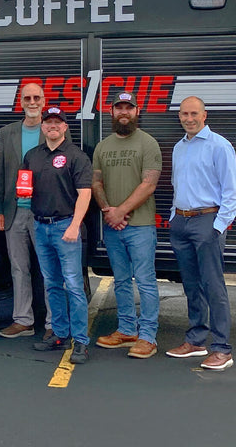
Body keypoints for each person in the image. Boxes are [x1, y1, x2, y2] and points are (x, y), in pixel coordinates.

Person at [165, 96, 236, 370]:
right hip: (181, 222)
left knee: (213, 286)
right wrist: (174, 217)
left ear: (204, 115)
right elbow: (177, 185)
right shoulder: (179, 147)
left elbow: (231, 192)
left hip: (208, 221)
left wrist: (218, 227)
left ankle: (222, 349)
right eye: (184, 114)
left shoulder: (220, 146)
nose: (189, 118)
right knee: (192, 285)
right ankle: (196, 340)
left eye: (194, 113)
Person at [91, 92, 162, 359]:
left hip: (141, 226)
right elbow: (96, 182)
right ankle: (126, 330)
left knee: (145, 281)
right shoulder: (102, 146)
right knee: (120, 281)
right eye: (119, 107)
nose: (124, 112)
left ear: (137, 111)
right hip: (113, 226)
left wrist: (120, 211)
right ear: (111, 112)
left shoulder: (148, 143)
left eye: (128, 108)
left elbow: (149, 184)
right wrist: (108, 211)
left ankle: (148, 337)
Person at [0, 82, 62, 341]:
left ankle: (55, 322)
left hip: (45, 212)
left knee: (49, 268)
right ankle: (23, 320)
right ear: (20, 102)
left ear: (44, 101)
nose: (32, 102)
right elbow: (0, 174)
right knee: (18, 268)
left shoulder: (54, 129)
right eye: (27, 98)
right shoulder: (7, 132)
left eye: (37, 98)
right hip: (14, 212)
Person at [25, 107, 92, 364]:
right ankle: (59, 334)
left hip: (66, 227)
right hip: (40, 226)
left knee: (74, 286)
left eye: (57, 122)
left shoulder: (76, 156)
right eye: (48, 122)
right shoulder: (32, 156)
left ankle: (81, 342)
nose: (52, 126)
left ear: (65, 127)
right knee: (51, 283)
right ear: (42, 127)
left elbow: (84, 193)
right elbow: (25, 185)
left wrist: (75, 225)